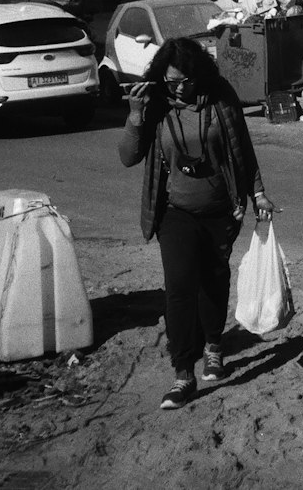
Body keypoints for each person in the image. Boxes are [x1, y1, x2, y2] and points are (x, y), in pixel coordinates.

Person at [119, 36, 274, 409]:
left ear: (200, 74)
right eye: (173, 82)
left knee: (214, 281)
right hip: (175, 213)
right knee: (179, 288)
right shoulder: (155, 103)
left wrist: (258, 195)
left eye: (187, 81)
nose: (181, 88)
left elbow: (242, 150)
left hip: (221, 209)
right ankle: (182, 373)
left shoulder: (220, 97)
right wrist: (136, 116)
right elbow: (128, 156)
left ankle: (214, 346)